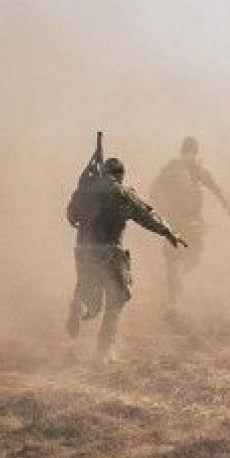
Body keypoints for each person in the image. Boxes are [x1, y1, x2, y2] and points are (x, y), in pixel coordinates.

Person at [66, 156, 187, 364]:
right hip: (109, 252)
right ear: (120, 175)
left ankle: (79, 302)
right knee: (116, 299)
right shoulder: (121, 193)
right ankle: (104, 352)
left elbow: (71, 217)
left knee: (93, 303)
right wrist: (169, 232)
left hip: (83, 251)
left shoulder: (85, 190)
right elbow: (146, 215)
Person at [150, 136, 230, 312]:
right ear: (194, 151)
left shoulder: (171, 168)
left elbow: (153, 191)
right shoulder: (193, 168)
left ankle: (174, 298)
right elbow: (212, 186)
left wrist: (159, 210)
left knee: (175, 260)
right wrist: (225, 203)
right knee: (189, 258)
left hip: (175, 221)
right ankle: (176, 293)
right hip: (189, 222)